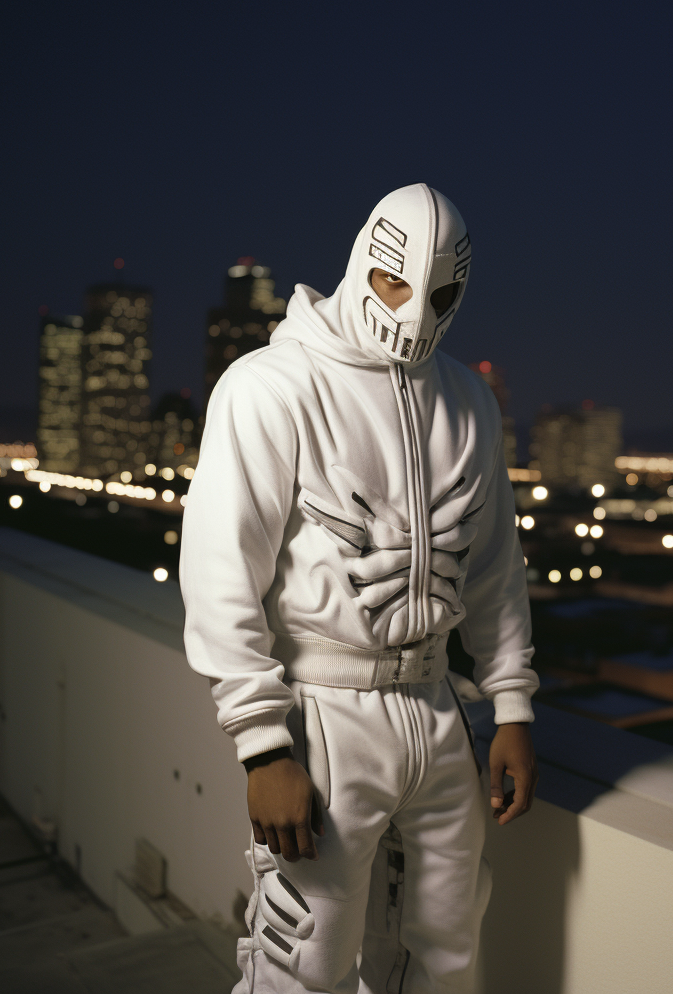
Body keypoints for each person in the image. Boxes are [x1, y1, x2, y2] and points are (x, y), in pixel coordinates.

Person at [180, 183, 539, 993]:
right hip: (323, 712)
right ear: (362, 263)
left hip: (441, 712)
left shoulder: (470, 401)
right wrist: (262, 743)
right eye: (394, 283)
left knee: (445, 955)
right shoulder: (270, 384)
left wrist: (511, 704)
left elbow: (494, 567)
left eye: (442, 294)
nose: (414, 313)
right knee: (303, 959)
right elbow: (221, 567)